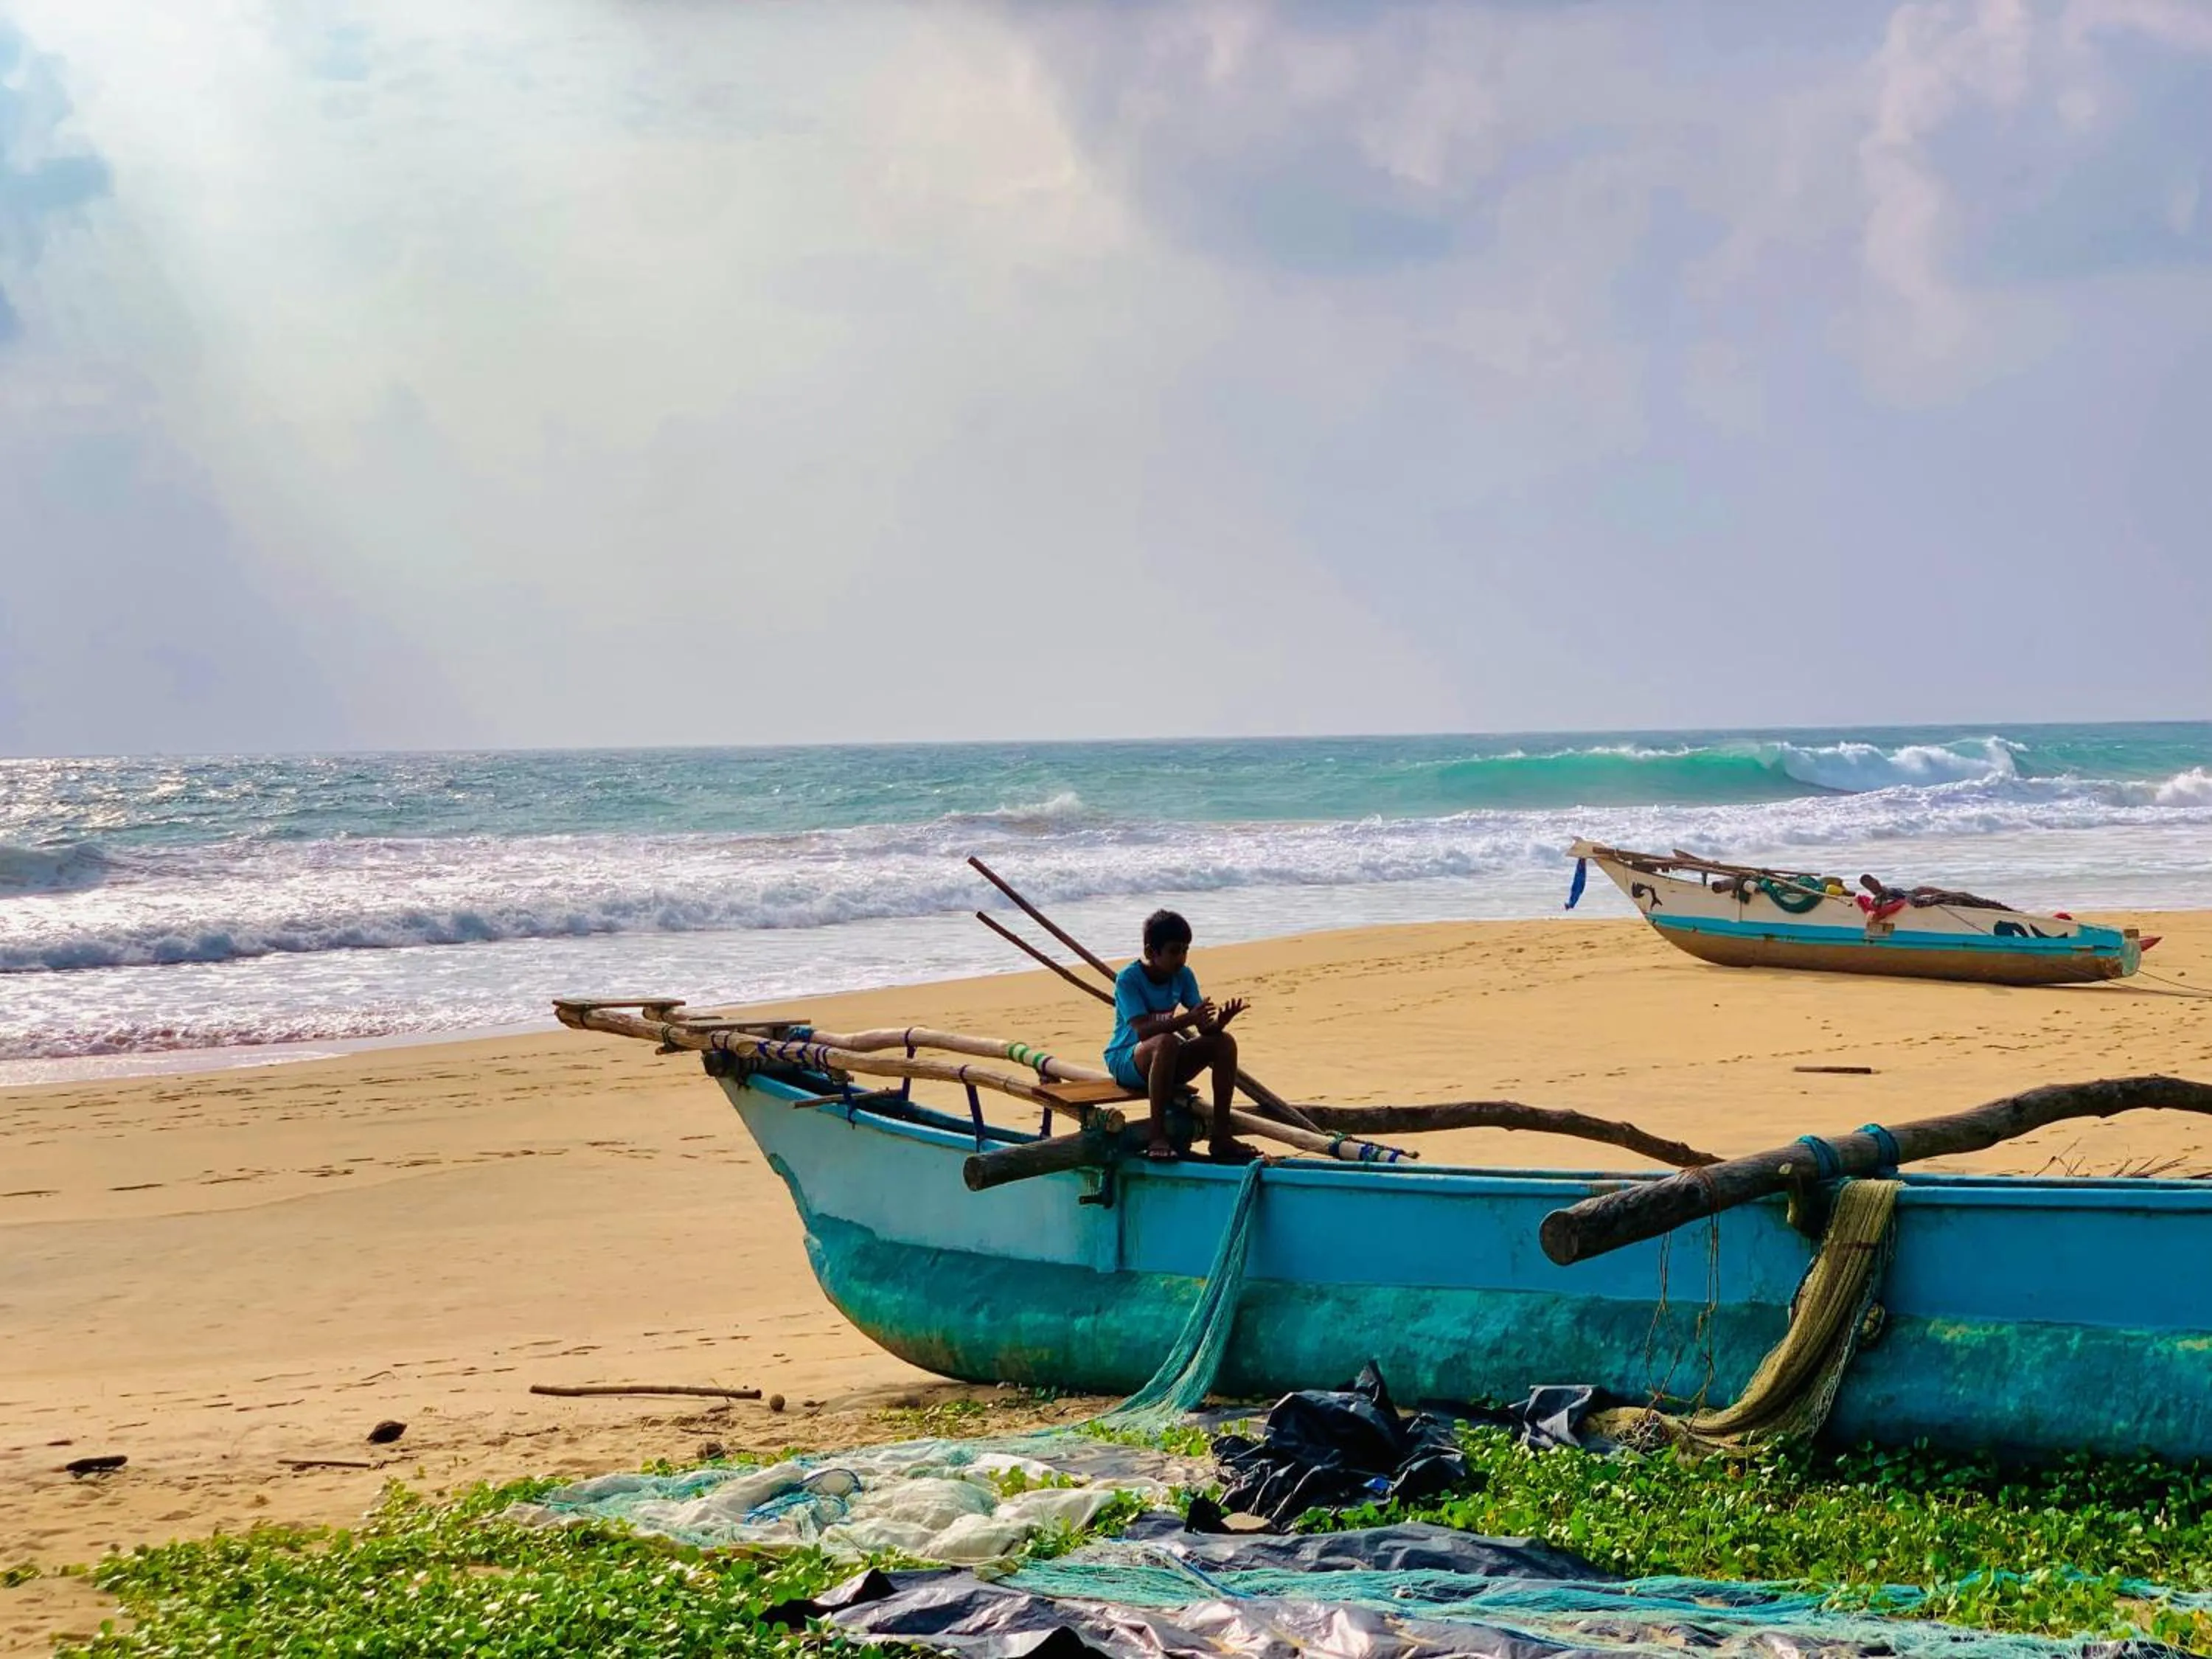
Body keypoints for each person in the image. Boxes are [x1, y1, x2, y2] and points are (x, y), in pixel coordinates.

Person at [1103, 908, 1253, 1164]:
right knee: (1166, 1041)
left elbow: (1204, 1029)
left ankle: (1221, 1136)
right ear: (1151, 952)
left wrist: (1219, 1023)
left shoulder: (1183, 976)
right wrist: (1188, 1019)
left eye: (1185, 950)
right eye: (1174, 951)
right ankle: (1157, 1135)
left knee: (1225, 1043)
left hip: (1165, 1060)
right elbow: (1143, 1030)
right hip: (1126, 1061)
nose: (1181, 958)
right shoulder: (1129, 979)